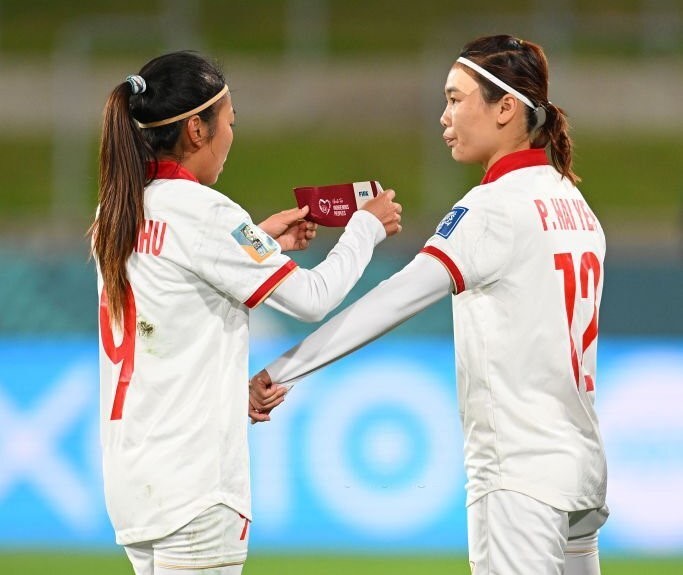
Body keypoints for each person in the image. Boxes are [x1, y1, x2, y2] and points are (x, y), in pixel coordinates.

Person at [249, 35, 609, 575]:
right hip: (582, 468)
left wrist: (279, 371)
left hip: (520, 475)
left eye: (456, 99)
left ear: (505, 108)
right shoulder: (574, 201)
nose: (444, 116)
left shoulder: (491, 208)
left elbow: (391, 302)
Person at [90, 50, 401, 575]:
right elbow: (313, 298)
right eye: (229, 122)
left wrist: (256, 242)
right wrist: (365, 228)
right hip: (196, 487)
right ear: (197, 129)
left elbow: (169, 319)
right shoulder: (206, 213)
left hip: (134, 480)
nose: (231, 136)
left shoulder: (116, 210)